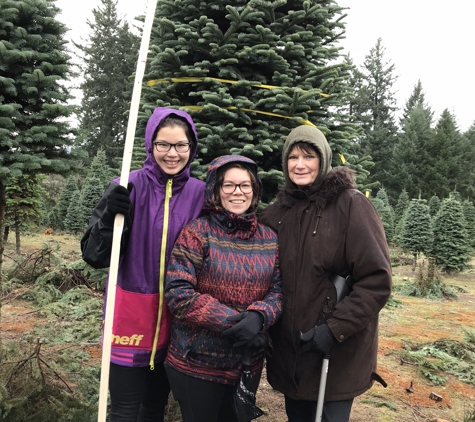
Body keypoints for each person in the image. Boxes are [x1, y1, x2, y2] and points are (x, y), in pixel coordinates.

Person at [259, 125, 392, 422]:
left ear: (323, 159)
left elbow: (377, 280)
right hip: (291, 354)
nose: (300, 164)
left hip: (336, 355)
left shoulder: (351, 205)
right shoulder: (278, 213)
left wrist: (335, 329)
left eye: (309, 155)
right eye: (293, 157)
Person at [81, 108, 206, 422]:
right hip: (130, 313)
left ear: (191, 148)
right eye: (163, 144)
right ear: (150, 145)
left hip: (177, 316)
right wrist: (109, 218)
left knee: (153, 409)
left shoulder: (201, 194)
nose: (172, 153)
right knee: (124, 411)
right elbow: (94, 255)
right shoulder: (126, 185)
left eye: (181, 145)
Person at [164, 155, 283, 422]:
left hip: (246, 363)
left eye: (245, 185)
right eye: (228, 185)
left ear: (255, 191)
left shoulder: (269, 239)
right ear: (216, 190)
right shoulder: (196, 233)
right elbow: (178, 292)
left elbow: (278, 291)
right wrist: (232, 321)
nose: (237, 192)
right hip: (196, 362)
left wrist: (260, 316)